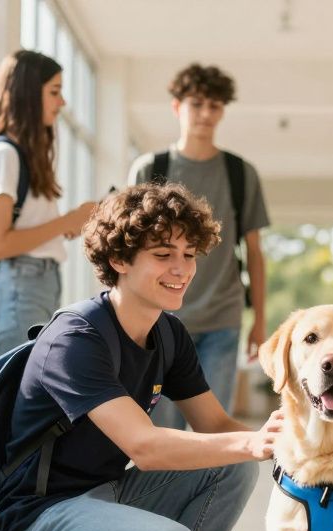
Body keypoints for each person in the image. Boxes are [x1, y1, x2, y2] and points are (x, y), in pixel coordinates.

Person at [0, 181, 281, 531]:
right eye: (163, 253)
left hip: (104, 501)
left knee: (232, 464)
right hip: (39, 523)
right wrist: (253, 442)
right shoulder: (76, 337)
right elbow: (144, 447)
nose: (182, 269)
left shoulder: (167, 333)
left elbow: (215, 427)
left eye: (189, 254)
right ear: (121, 259)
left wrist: (297, 444)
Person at [128, 63, 271, 431]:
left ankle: (206, 492)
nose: (206, 114)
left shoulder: (241, 174)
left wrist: (260, 322)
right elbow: (127, 246)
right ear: (177, 107)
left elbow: (254, 251)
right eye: (197, 104)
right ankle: (166, 493)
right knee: (162, 431)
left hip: (222, 318)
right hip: (158, 319)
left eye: (214, 106)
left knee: (214, 430)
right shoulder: (150, 168)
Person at [0, 49, 98, 357]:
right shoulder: (3, 156)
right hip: (20, 290)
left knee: (32, 399)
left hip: (35, 286)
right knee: (26, 401)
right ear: (27, 95)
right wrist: (66, 221)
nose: (61, 102)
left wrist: (71, 223)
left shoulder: (21, 157)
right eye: (54, 92)